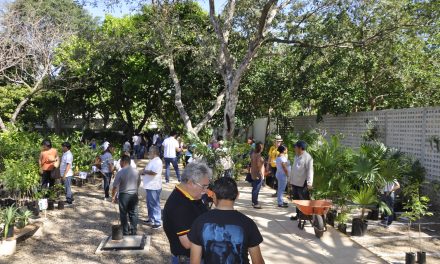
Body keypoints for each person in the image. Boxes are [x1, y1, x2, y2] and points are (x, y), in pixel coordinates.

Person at [188, 177, 265, 264]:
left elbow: (194, 261)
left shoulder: (200, 222)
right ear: (237, 195)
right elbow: (258, 261)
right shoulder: (248, 223)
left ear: (213, 196)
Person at [163, 162, 212, 264]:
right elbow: (188, 243)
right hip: (188, 259)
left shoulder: (191, 196)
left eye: (207, 186)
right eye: (203, 187)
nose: (205, 191)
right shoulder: (179, 205)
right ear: (190, 182)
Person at [112, 155, 140, 236]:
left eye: (120, 162)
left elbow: (114, 186)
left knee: (123, 213)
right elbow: (138, 182)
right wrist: (136, 190)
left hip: (124, 194)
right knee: (134, 213)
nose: (119, 163)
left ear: (124, 162)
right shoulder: (136, 171)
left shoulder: (121, 172)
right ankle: (133, 230)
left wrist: (113, 197)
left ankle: (125, 231)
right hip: (134, 194)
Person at [289, 140, 313, 220]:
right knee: (296, 200)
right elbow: (293, 169)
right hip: (295, 183)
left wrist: (309, 183)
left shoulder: (308, 158)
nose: (294, 148)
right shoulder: (296, 156)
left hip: (302, 184)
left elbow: (310, 171)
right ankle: (298, 215)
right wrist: (290, 180)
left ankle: (305, 216)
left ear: (300, 148)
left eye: (295, 147)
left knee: (303, 201)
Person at [142, 147, 163, 229]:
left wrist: (144, 172)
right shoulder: (153, 160)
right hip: (150, 186)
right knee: (149, 203)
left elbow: (154, 172)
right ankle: (151, 219)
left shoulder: (158, 161)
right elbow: (147, 169)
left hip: (154, 186)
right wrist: (142, 171)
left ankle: (157, 222)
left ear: (154, 152)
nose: (148, 152)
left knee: (155, 204)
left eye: (150, 151)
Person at [250, 142, 265, 209]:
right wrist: (261, 173)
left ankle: (254, 202)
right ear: (261, 148)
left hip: (253, 172)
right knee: (256, 188)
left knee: (254, 188)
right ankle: (255, 203)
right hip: (257, 173)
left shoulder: (253, 154)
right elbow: (259, 165)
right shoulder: (258, 155)